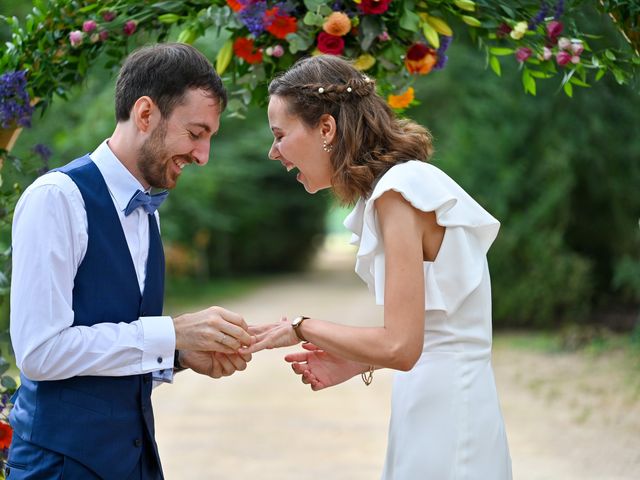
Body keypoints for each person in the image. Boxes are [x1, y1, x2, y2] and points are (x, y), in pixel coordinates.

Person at [244, 55, 513, 479]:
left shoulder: (398, 193)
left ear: (327, 128)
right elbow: (431, 333)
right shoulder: (400, 187)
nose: (273, 151)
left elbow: (401, 347)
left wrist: (299, 326)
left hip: (446, 413)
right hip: (438, 400)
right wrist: (354, 360)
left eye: (280, 135)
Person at [7, 43, 253, 480]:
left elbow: (110, 351)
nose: (202, 155)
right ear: (145, 114)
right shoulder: (57, 199)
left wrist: (178, 353)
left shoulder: (147, 214)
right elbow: (40, 353)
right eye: (195, 133)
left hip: (135, 463)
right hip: (61, 467)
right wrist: (171, 332)